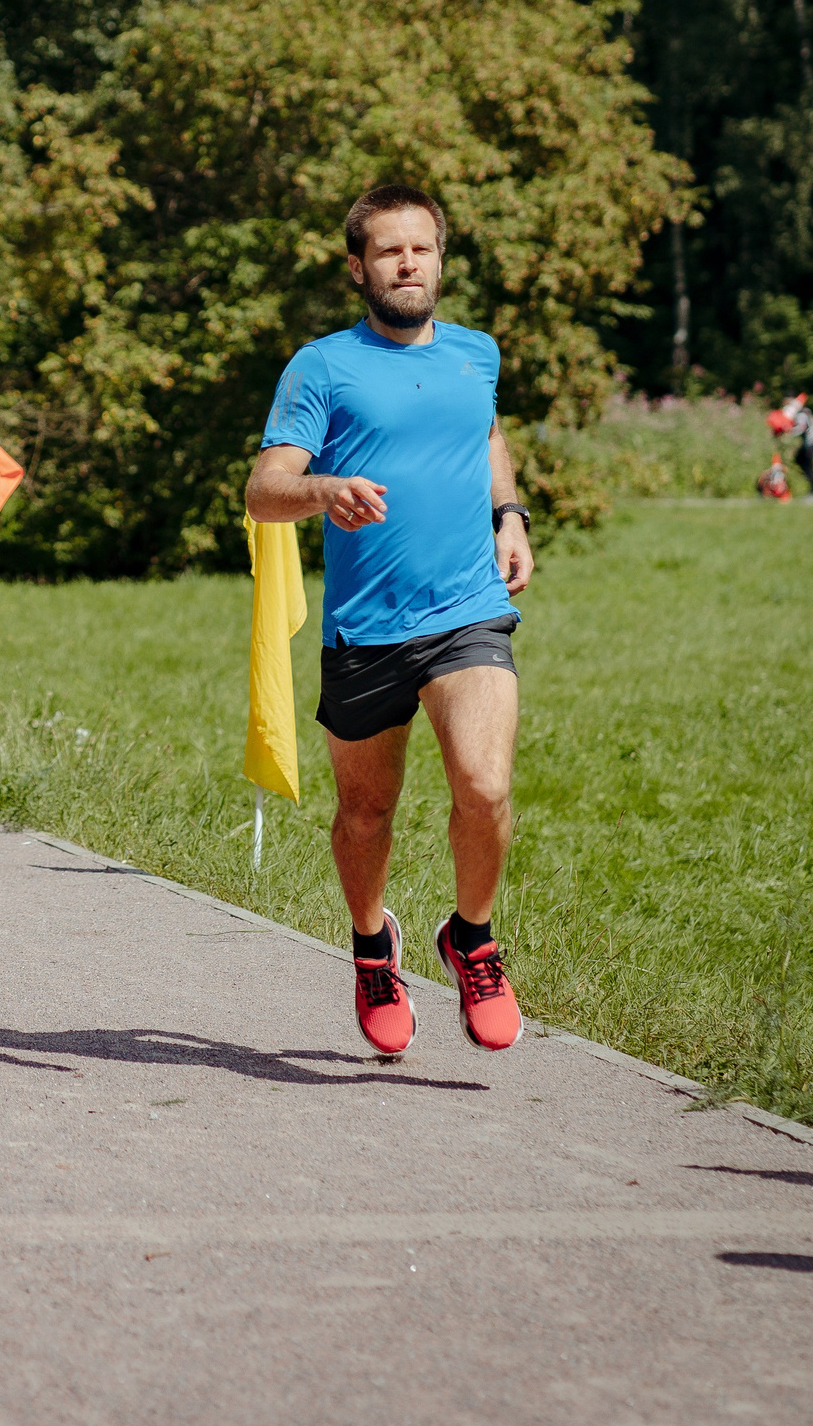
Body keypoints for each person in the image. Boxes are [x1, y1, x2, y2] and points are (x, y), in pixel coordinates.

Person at [245, 184, 534, 1057]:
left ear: (440, 258)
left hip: (468, 612)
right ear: (358, 267)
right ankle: (374, 948)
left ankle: (472, 941)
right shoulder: (323, 366)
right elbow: (264, 491)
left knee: (483, 789)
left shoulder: (475, 354)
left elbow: (484, 434)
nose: (408, 264)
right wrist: (322, 489)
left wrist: (511, 514)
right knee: (366, 816)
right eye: (389, 251)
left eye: (422, 249)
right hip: (365, 628)